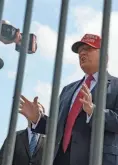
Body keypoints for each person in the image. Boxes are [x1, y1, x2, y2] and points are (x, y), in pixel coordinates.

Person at [19, 34, 118, 165]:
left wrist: (94, 112)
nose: (82, 52)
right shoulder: (68, 90)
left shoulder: (116, 86)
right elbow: (58, 127)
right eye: (80, 50)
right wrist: (38, 119)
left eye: (88, 49)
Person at [0, 96, 45, 165]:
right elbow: (2, 160)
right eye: (32, 111)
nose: (36, 114)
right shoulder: (14, 136)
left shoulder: (50, 141)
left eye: (39, 112)